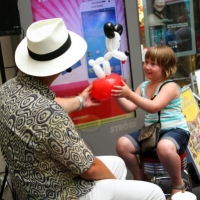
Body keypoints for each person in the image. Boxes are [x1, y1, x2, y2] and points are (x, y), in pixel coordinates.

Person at [0, 18, 165, 200]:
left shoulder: (7, 90)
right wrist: (119, 189)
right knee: (153, 192)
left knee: (117, 163)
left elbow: (49, 104)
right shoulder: (49, 115)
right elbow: (90, 168)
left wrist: (80, 101)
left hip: (30, 186)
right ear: (61, 65)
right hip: (61, 193)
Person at [111, 45, 190, 197]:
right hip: (151, 131)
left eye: (153, 64)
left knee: (165, 147)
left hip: (175, 131)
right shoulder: (143, 86)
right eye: (146, 62)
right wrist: (118, 95)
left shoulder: (170, 86)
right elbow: (129, 107)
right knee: (122, 144)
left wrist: (129, 94)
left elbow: (154, 107)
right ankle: (140, 176)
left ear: (165, 67)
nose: (147, 66)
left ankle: (177, 182)